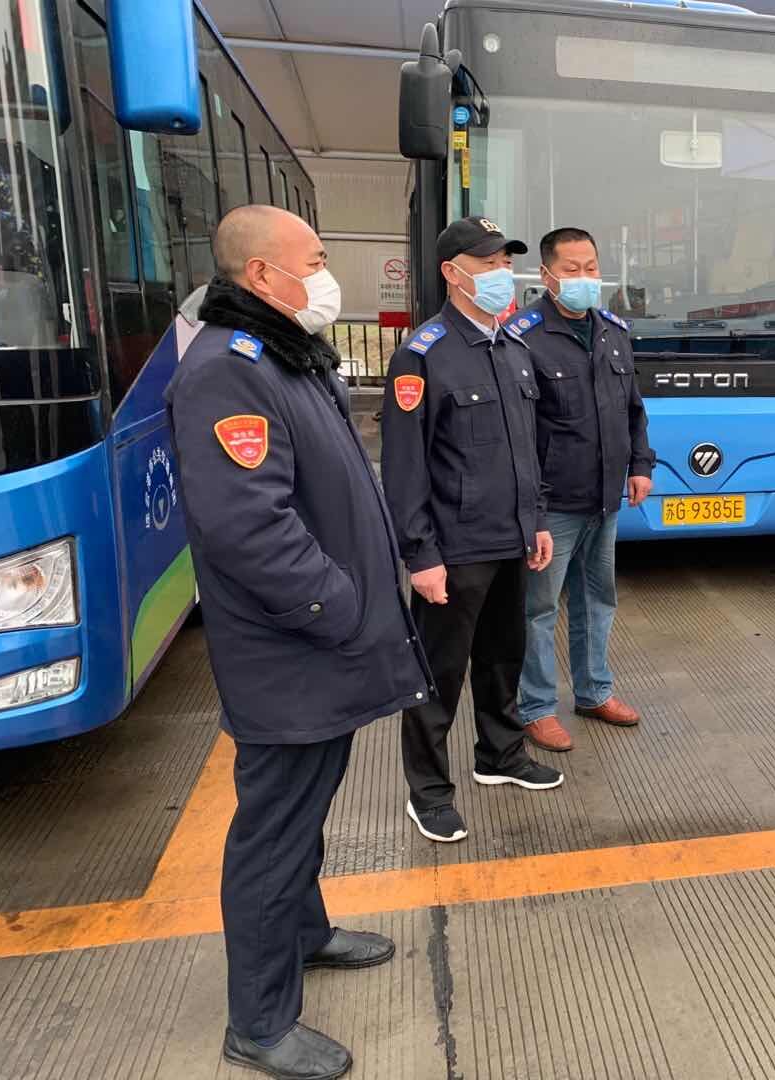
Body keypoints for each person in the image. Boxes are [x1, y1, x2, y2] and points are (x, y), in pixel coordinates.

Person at [166, 205, 433, 1080]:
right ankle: (259, 1022)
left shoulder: (284, 352)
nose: (325, 274)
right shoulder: (227, 370)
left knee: (306, 810)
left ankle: (306, 934)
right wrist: (340, 606)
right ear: (260, 275)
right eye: (313, 259)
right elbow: (248, 527)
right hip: (293, 650)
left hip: (320, 644)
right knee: (273, 834)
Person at [382, 217, 561, 846]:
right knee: (437, 675)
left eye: (504, 263)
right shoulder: (423, 355)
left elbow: (527, 452)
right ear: (451, 273)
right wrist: (420, 556)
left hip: (511, 539)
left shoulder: (513, 349)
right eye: (487, 265)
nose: (500, 274)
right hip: (453, 549)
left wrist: (536, 521)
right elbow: (404, 467)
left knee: (503, 657)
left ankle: (500, 754)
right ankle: (429, 793)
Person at [508, 228, 655, 752]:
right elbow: (518, 432)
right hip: (552, 504)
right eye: (571, 270)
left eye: (591, 267)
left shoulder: (613, 332)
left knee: (598, 599)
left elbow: (633, 409)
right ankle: (535, 707)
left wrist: (640, 465)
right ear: (547, 275)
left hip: (606, 497)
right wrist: (531, 508)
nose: (584, 278)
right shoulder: (523, 337)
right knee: (539, 609)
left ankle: (594, 692)